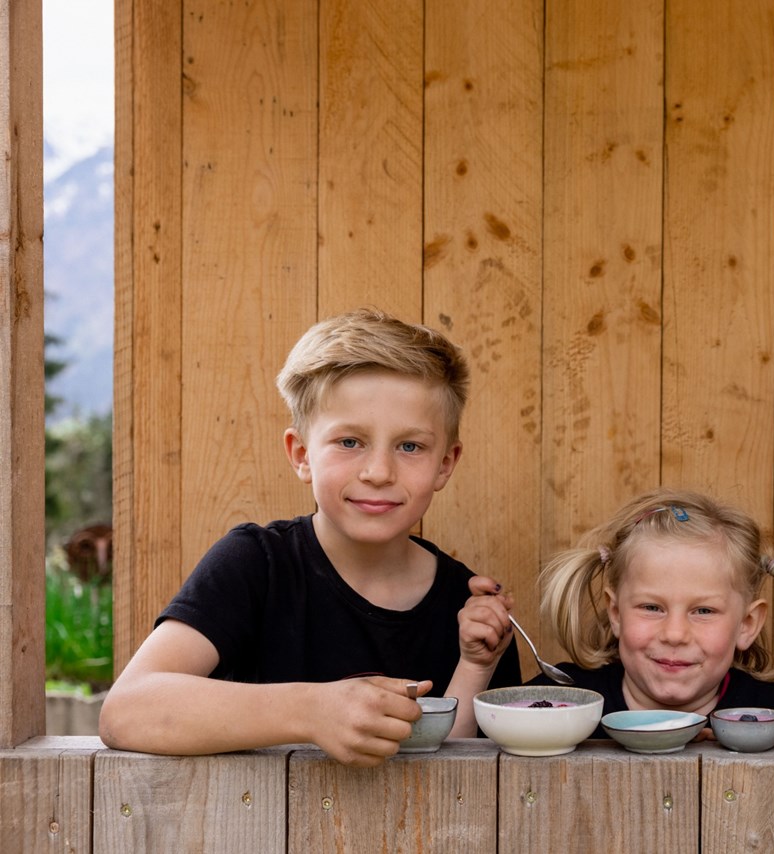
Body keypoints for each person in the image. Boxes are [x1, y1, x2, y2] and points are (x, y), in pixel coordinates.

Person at [99, 309, 521, 766]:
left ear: (445, 463)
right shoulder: (256, 565)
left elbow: (461, 779)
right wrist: (311, 710)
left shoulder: (471, 614)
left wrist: (476, 666)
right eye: (349, 442)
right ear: (301, 455)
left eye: (410, 446)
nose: (378, 472)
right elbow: (126, 711)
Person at [519, 488, 774, 740]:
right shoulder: (557, 700)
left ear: (746, 625)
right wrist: (478, 667)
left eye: (704, 611)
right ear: (615, 612)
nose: (674, 634)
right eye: (652, 607)